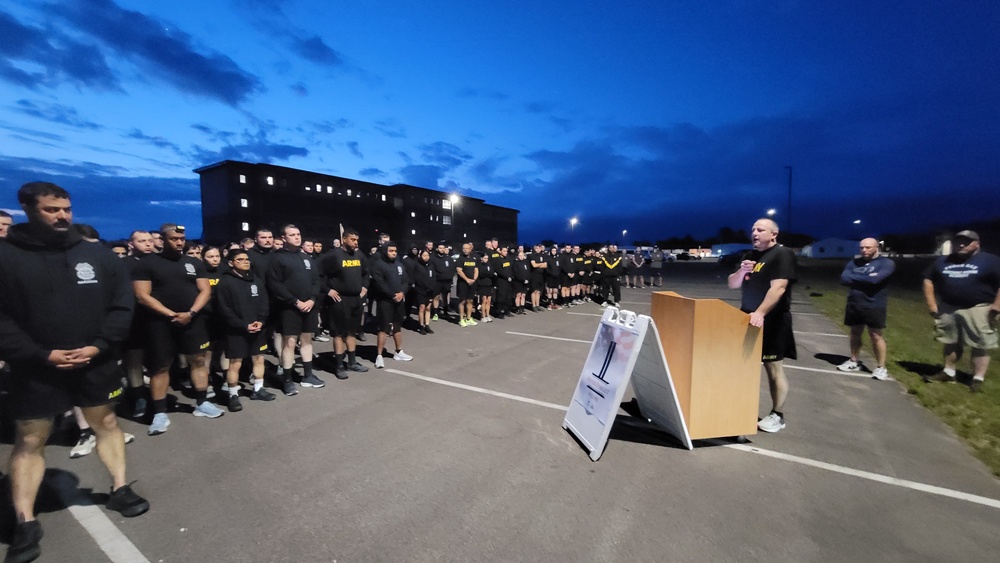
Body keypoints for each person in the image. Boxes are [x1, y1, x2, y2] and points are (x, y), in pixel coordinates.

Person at [0, 182, 149, 562]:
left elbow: (121, 304)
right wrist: (40, 354)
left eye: (66, 208)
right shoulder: (6, 256)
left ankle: (119, 488)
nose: (62, 215)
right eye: (52, 209)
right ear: (27, 208)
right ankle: (25, 521)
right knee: (31, 439)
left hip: (94, 360)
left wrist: (100, 345)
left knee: (109, 423)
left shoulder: (96, 255)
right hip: (36, 366)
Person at [133, 223, 223, 434]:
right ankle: (159, 413)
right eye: (174, 239)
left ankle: (201, 403)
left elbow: (204, 291)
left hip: (192, 320)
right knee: (161, 367)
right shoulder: (147, 263)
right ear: (162, 240)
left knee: (198, 361)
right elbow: (142, 295)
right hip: (160, 323)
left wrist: (190, 313)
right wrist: (170, 314)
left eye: (181, 239)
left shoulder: (193, 263)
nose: (179, 242)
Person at [727, 218, 797, 433]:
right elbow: (732, 284)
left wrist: (761, 312)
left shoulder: (782, 254)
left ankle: (777, 415)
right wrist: (741, 271)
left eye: (760, 230)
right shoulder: (748, 256)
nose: (754, 233)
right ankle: (742, 407)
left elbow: (779, 287)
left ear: (773, 234)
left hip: (772, 320)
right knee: (744, 365)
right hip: (748, 318)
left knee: (773, 368)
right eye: (753, 229)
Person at [922, 230, 1000, 393]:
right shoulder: (943, 261)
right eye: (958, 241)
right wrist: (932, 303)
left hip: (978, 307)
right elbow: (928, 279)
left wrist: (997, 305)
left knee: (980, 343)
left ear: (977, 243)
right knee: (950, 340)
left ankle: (978, 378)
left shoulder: (991, 261)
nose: (961, 244)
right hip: (949, 307)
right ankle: (949, 372)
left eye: (966, 241)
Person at [266, 224, 324, 393]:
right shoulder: (277, 258)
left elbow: (316, 281)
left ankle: (308, 375)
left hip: (309, 307)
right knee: (289, 343)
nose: (297, 237)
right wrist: (295, 301)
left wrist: (312, 299)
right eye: (292, 235)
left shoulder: (306, 258)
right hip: (289, 308)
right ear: (283, 238)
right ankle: (288, 379)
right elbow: (275, 284)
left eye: (298, 234)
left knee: (306, 340)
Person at [215, 249, 275, 410]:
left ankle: (258, 389)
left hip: (258, 328)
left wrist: (261, 321)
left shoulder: (256, 281)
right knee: (235, 363)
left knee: (259, 358)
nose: (245, 262)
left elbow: (264, 304)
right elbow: (224, 309)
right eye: (240, 259)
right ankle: (233, 394)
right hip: (236, 331)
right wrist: (243, 325)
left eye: (246, 259)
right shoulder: (225, 282)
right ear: (231, 263)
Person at [838, 238, 896, 380]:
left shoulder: (886, 263)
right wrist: (866, 277)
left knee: (876, 336)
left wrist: (856, 278)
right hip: (855, 303)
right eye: (862, 247)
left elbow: (875, 280)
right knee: (855, 333)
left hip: (874, 304)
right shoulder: (854, 262)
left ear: (876, 248)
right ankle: (854, 361)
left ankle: (881, 367)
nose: (864, 250)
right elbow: (844, 279)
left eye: (868, 247)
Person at [319, 228, 370, 379]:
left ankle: (352, 362)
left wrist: (364, 287)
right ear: (344, 239)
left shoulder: (359, 255)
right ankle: (340, 365)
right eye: (353, 240)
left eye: (357, 240)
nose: (356, 243)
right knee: (339, 333)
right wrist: (327, 290)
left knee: (351, 332)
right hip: (339, 300)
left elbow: (366, 272)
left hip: (355, 299)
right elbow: (318, 274)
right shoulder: (333, 256)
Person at [369, 241, 413, 368]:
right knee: (383, 328)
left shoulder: (399, 265)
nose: (393, 253)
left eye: (395, 251)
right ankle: (379, 356)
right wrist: (393, 295)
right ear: (385, 251)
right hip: (385, 301)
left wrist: (402, 293)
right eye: (391, 251)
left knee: (398, 326)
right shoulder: (378, 265)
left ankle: (399, 352)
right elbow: (379, 284)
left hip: (399, 301)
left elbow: (406, 281)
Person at [413, 249, 437, 334]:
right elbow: (417, 278)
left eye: (427, 255)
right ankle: (421, 325)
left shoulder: (431, 265)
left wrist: (432, 287)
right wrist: (424, 287)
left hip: (430, 290)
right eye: (424, 255)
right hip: (421, 290)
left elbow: (434, 277)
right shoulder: (417, 265)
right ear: (420, 256)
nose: (426, 257)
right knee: (422, 308)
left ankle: (427, 325)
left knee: (428, 308)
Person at [456, 242, 479, 326]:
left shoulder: (474, 259)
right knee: (462, 301)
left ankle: (469, 318)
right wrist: (467, 279)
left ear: (470, 249)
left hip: (472, 283)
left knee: (470, 300)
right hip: (463, 283)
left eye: (467, 248)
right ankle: (461, 319)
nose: (465, 250)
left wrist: (474, 279)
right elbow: (459, 271)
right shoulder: (460, 259)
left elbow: (476, 270)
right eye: (464, 248)